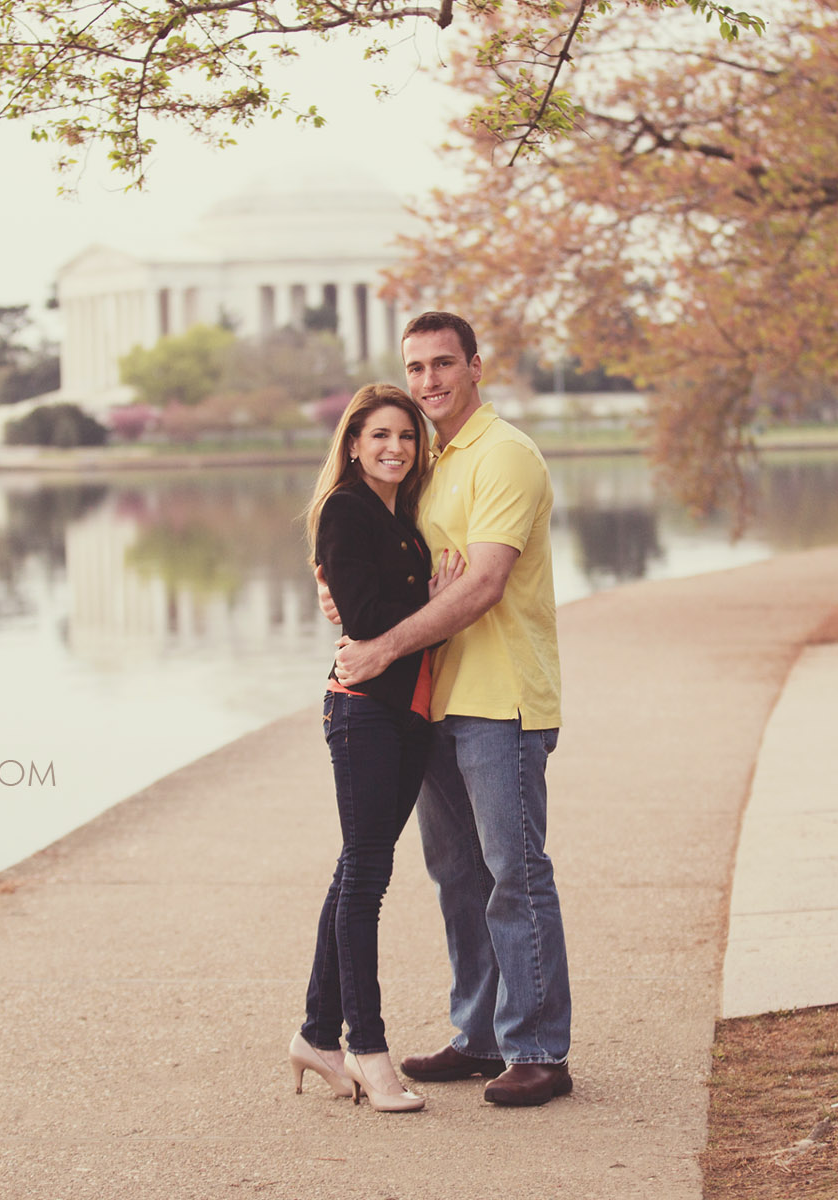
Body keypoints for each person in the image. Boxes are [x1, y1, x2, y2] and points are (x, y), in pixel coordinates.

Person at [329, 312, 573, 1107]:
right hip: (434, 700)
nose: (430, 379)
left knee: (515, 873)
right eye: (417, 366)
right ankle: (479, 1037)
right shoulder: (432, 464)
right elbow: (386, 558)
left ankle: (538, 1049)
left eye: (444, 364)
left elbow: (484, 582)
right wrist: (337, 589)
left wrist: (385, 646)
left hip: (500, 698)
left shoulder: (504, 455)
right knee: (457, 876)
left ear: (476, 365)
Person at [289, 383, 464, 1114]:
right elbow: (360, 616)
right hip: (363, 712)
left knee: (355, 873)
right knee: (366, 882)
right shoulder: (346, 509)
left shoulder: (405, 514)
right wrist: (433, 595)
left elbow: (374, 607)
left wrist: (429, 597)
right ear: (354, 444)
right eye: (380, 435)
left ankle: (314, 1036)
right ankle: (369, 1050)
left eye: (407, 436)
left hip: (410, 713)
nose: (396, 447)